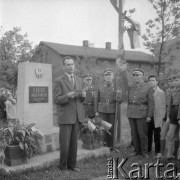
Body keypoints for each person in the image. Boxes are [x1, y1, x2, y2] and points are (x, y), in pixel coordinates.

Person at [54, 56, 86, 173]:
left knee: (74, 143)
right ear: (64, 67)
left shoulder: (78, 79)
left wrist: (83, 96)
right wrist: (67, 96)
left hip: (77, 116)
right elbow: (56, 99)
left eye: (72, 64)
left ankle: (72, 165)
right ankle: (63, 166)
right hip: (66, 116)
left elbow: (81, 100)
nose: (71, 66)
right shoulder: (59, 80)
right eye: (68, 64)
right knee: (65, 144)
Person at [127, 68, 154, 158]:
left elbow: (151, 102)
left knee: (142, 134)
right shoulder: (131, 87)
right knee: (134, 133)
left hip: (142, 113)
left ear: (142, 76)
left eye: (137, 75)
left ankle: (145, 151)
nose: (135, 77)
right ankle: (137, 150)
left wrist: (149, 115)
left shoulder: (148, 87)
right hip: (131, 112)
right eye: (134, 75)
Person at [95, 68, 122, 151]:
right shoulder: (99, 86)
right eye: (106, 74)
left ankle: (111, 145)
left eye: (109, 74)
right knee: (103, 127)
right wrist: (96, 111)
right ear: (103, 77)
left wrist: (118, 97)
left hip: (112, 110)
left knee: (111, 128)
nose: (108, 76)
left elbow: (121, 100)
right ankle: (104, 143)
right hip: (102, 109)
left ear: (113, 76)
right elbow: (96, 99)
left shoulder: (117, 86)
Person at [156, 74, 176, 158]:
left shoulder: (178, 91)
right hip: (167, 113)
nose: (171, 83)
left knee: (173, 135)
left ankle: (173, 153)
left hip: (175, 113)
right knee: (162, 133)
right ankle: (162, 153)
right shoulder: (166, 90)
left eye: (173, 81)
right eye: (170, 81)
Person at [148, 75, 166, 157]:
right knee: (148, 134)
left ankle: (158, 151)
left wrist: (162, 117)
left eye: (153, 80)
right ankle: (148, 150)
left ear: (157, 82)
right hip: (149, 115)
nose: (151, 82)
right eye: (150, 80)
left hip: (157, 116)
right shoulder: (147, 91)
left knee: (157, 134)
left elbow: (163, 105)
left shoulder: (161, 92)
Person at [166, 74, 180, 159]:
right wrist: (168, 117)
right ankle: (169, 154)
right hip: (173, 113)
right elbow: (169, 105)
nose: (175, 82)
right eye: (174, 80)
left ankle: (179, 155)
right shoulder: (172, 91)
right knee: (170, 135)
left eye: (177, 80)